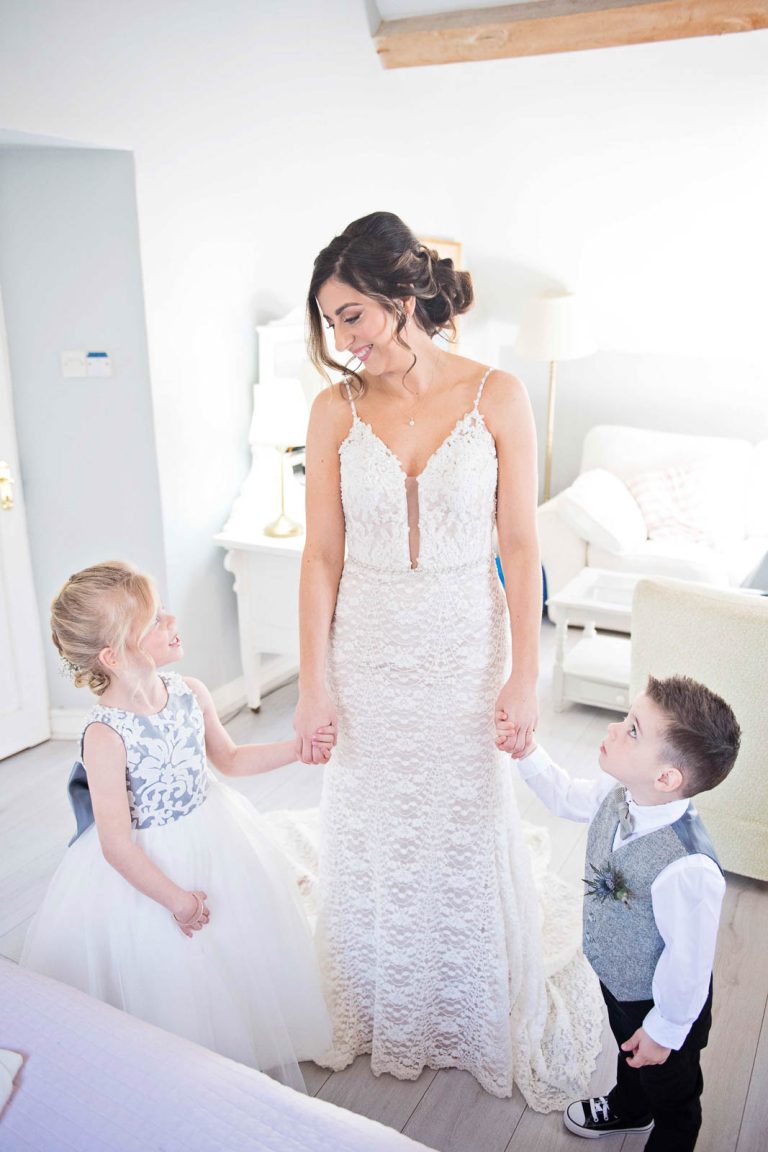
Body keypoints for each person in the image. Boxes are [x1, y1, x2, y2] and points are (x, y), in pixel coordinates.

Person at [294, 211, 603, 1108]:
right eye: (329, 320)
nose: (339, 338)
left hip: (466, 646)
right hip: (371, 648)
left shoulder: (497, 395)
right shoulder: (331, 410)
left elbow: (520, 543)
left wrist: (524, 672)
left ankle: (465, 1000)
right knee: (374, 820)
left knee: (464, 819)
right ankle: (381, 995)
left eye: (350, 313)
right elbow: (320, 557)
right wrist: (315, 685)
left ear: (401, 297)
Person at [21, 561, 333, 1093]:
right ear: (114, 656)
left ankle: (248, 1034)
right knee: (177, 972)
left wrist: (297, 751)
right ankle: (186, 1073)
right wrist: (175, 899)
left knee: (239, 939)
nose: (170, 619)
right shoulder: (105, 735)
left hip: (213, 832)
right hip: (151, 869)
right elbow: (117, 845)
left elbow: (230, 759)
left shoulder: (189, 691)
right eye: (154, 620)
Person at [506, 674, 740, 1149]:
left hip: (665, 1004)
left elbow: (688, 966)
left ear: (666, 777)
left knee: (671, 1090)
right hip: (620, 981)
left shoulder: (689, 866)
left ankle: (668, 1133)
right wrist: (525, 751)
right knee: (627, 1049)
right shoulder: (621, 797)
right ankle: (630, 1107)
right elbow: (567, 794)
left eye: (632, 729)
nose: (614, 729)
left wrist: (664, 1030)